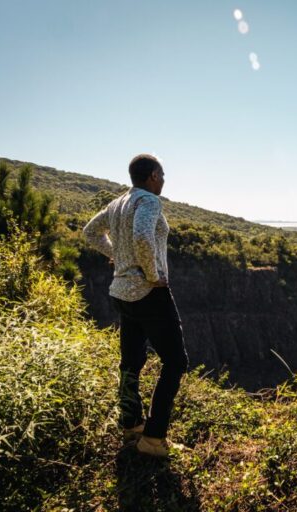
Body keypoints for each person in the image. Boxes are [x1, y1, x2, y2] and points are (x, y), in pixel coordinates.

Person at [83, 153, 188, 457]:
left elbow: (90, 232)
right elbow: (142, 235)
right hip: (148, 292)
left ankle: (131, 424)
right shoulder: (149, 201)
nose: (164, 180)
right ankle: (153, 439)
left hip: (121, 292)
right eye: (163, 174)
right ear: (153, 175)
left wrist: (118, 255)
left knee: (131, 360)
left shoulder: (117, 203)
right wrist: (153, 275)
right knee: (176, 362)